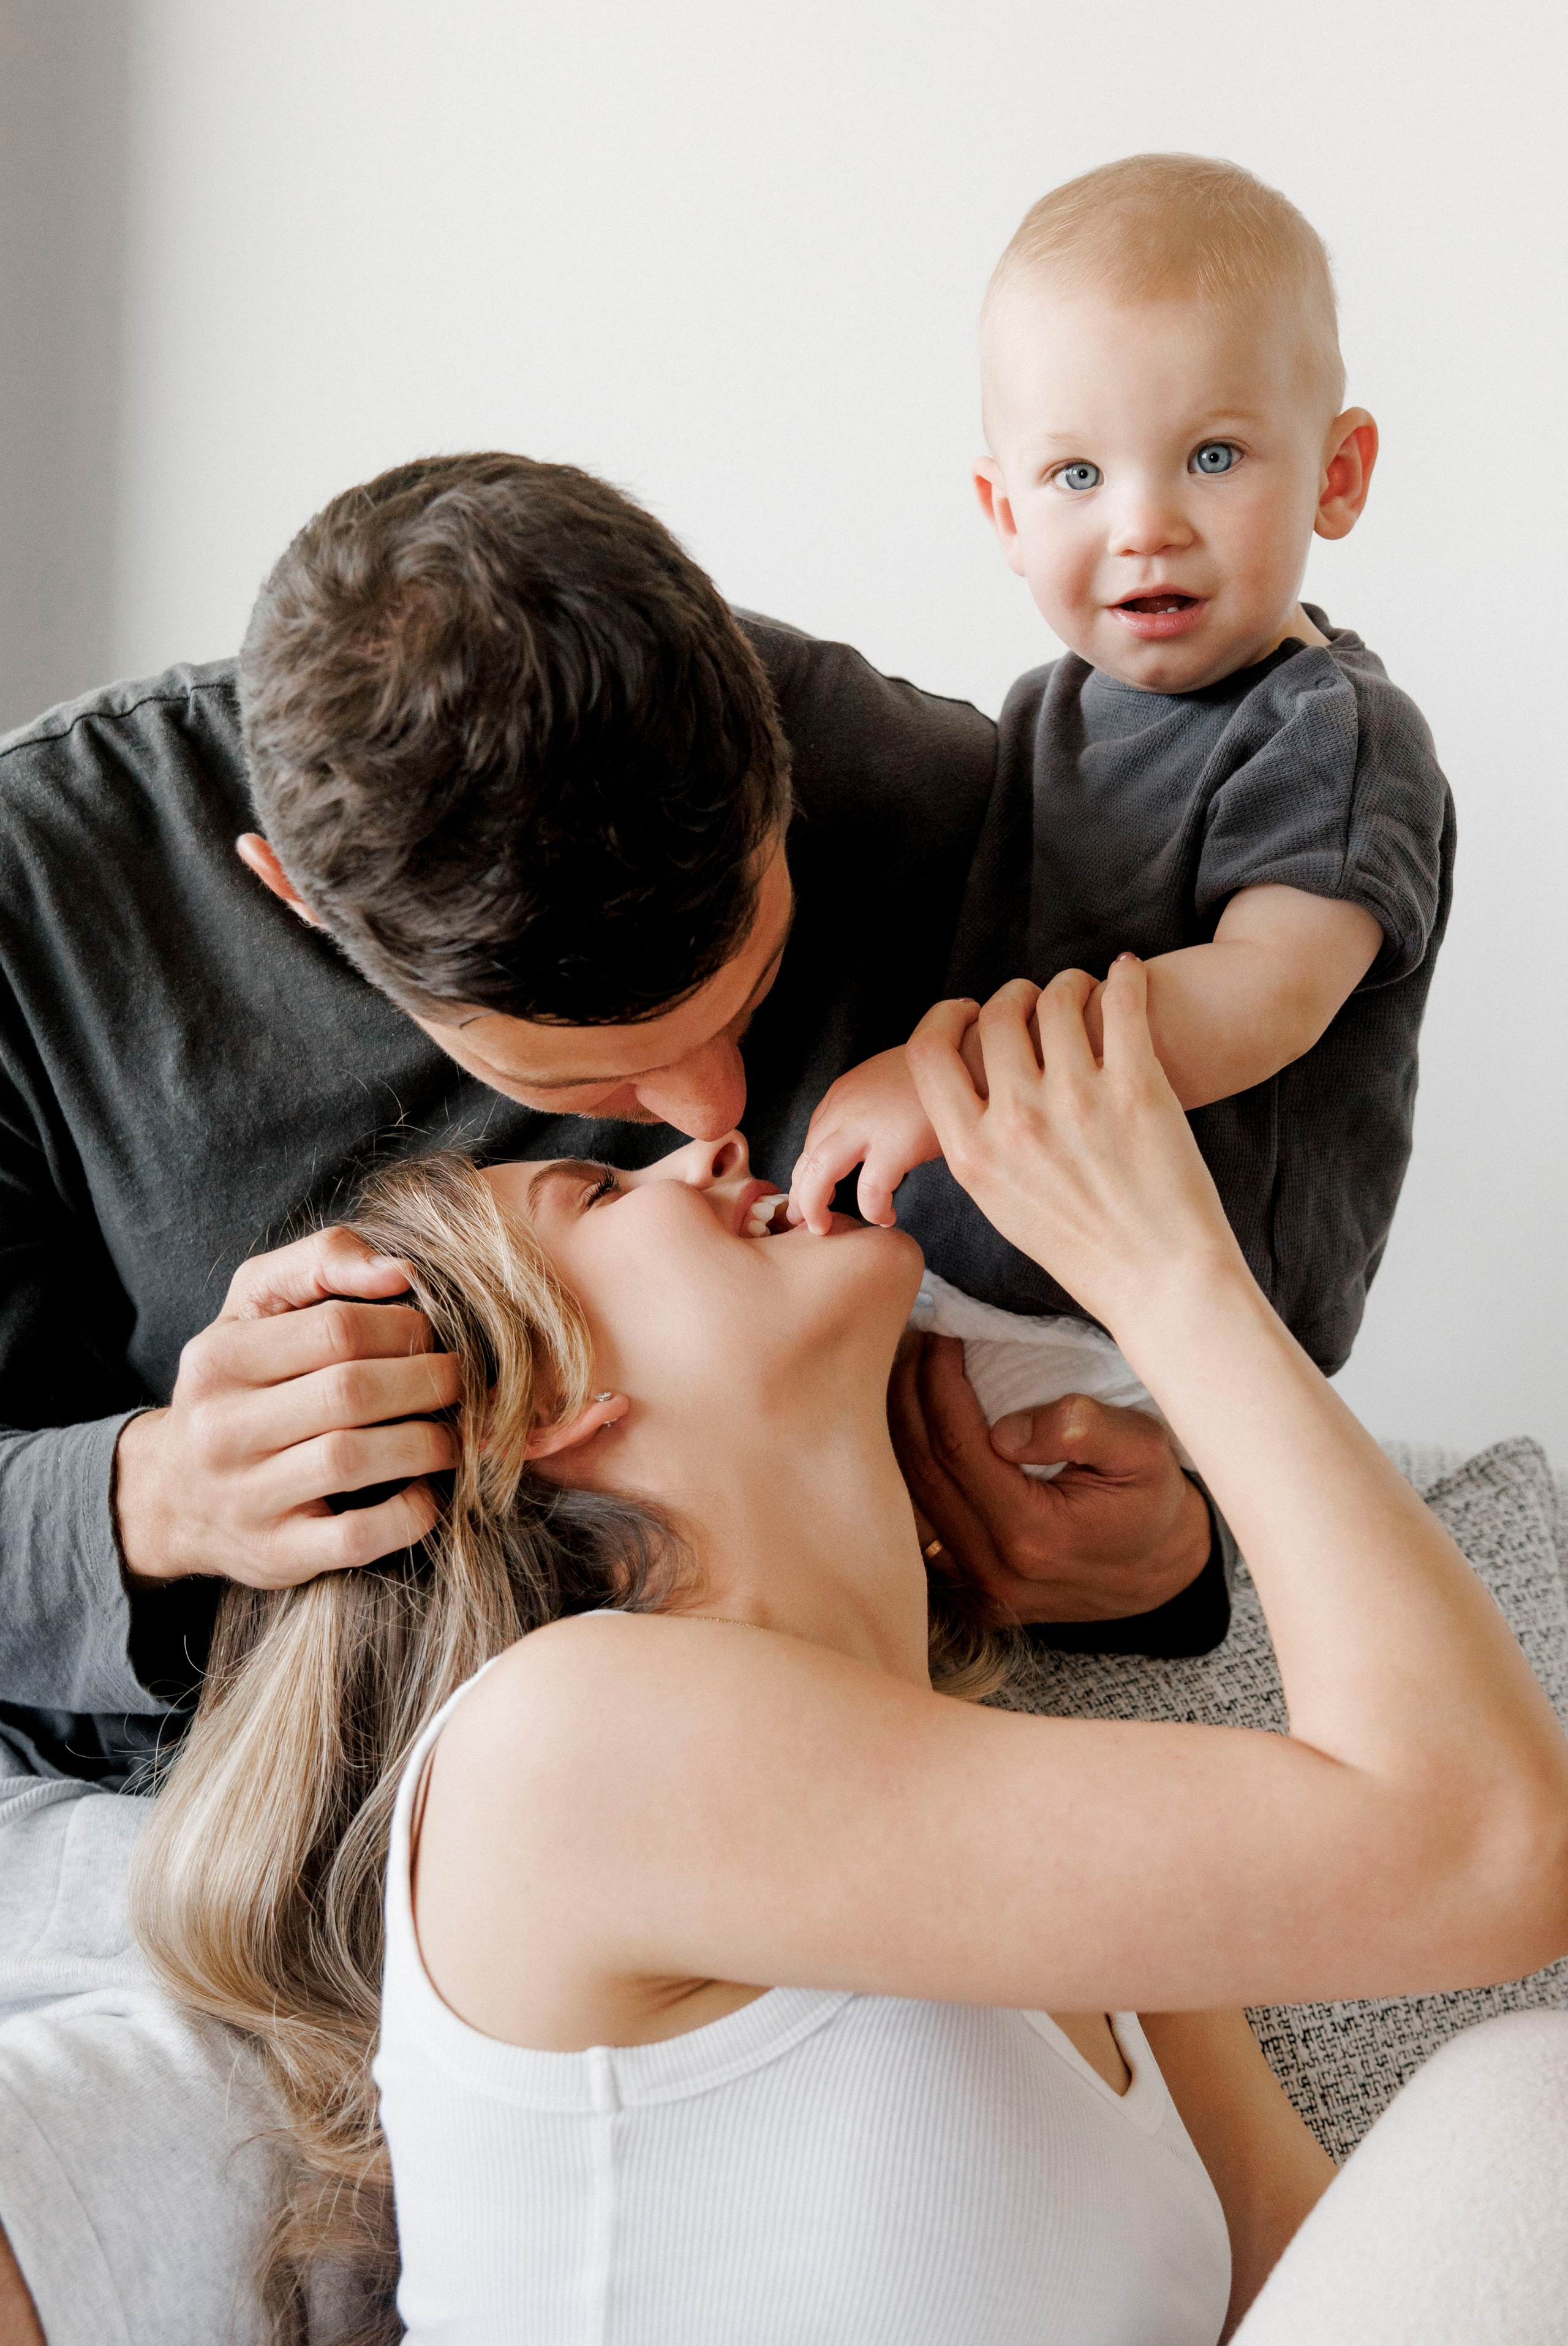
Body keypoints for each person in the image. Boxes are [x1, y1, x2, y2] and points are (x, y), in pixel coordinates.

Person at [0, 453, 1220, 2345]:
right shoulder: (38, 904)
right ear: (299, 902)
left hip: (788, 1782)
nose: (719, 1114)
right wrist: (149, 1497)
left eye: (751, 988)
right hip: (168, 1846)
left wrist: (1167, 1555)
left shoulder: (940, 810)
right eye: (592, 1105)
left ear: (769, 749)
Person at [116, 961, 1568, 2344]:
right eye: (600, 1190)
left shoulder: (1038, 1827)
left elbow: (1333, 2277)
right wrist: (1161, 1262)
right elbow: (1488, 1852)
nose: (705, 1148)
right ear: (538, 1400)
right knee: (1527, 2106)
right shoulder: (562, 1743)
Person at [790, 156, 1454, 1424]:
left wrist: (941, 1082)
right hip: (987, 1272)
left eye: (1212, 455)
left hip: (1158, 1333)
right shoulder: (1047, 705)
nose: (1144, 526)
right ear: (1005, 514)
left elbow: (1261, 997)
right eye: (1078, 477)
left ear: (1336, 475)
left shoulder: (1329, 732)